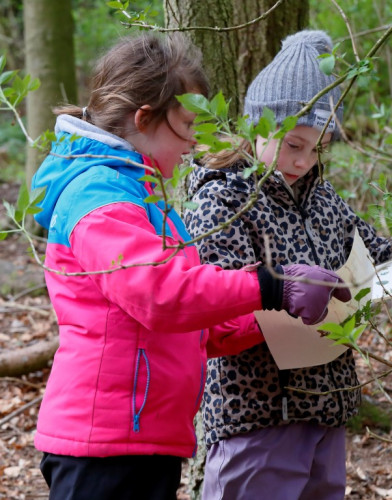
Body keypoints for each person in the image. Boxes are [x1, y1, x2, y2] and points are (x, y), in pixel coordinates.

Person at [30, 33, 350, 500]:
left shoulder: (139, 194)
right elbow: (159, 294)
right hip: (103, 441)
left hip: (143, 436)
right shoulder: (99, 196)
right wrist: (272, 286)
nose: (196, 143)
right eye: (186, 126)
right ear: (144, 118)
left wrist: (276, 318)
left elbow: (194, 325)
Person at [185, 30, 392, 500]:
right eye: (293, 145)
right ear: (257, 125)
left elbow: (373, 254)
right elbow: (212, 307)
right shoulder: (223, 199)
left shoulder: (323, 197)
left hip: (326, 407)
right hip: (258, 412)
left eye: (317, 148)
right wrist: (290, 304)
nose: (303, 160)